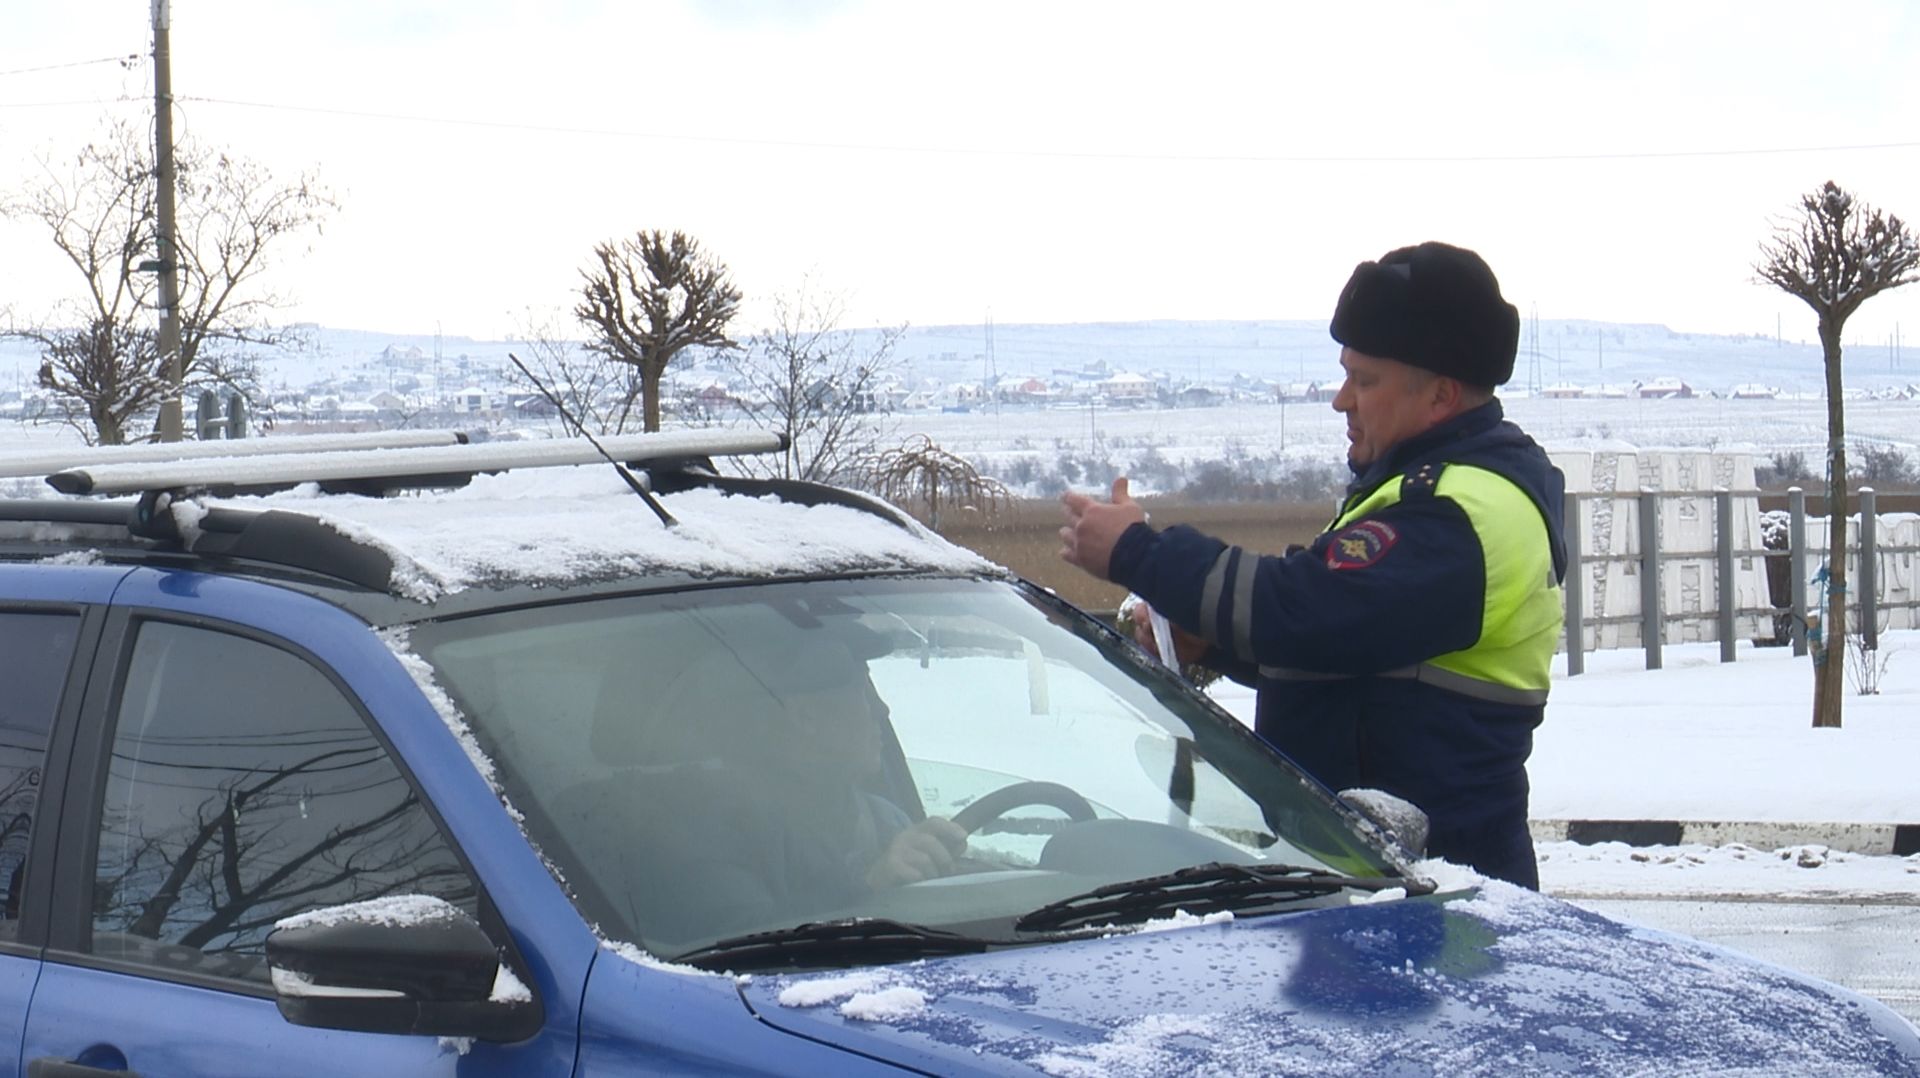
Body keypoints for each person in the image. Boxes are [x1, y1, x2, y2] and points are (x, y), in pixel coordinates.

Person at [1058, 241, 1566, 889]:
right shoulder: (1427, 490)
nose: (1342, 400)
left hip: (1434, 903)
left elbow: (1305, 610)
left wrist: (1138, 553)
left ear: (1439, 396)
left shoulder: (1461, 512)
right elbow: (1353, 648)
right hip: (1380, 884)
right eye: (1345, 373)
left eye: (1366, 380)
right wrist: (1208, 639)